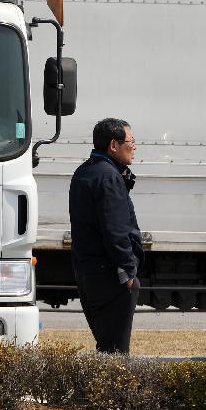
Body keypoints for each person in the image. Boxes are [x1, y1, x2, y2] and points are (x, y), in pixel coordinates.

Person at [68, 118, 144, 354]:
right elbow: (116, 230)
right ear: (114, 145)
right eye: (131, 142)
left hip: (88, 272)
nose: (135, 147)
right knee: (116, 352)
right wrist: (128, 270)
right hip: (110, 276)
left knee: (106, 347)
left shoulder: (84, 172)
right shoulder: (108, 177)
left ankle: (100, 390)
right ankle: (112, 392)